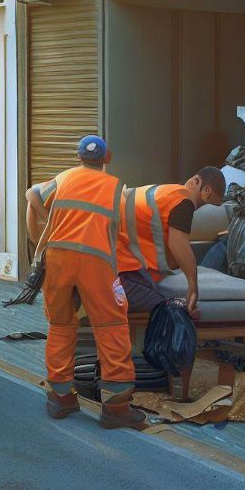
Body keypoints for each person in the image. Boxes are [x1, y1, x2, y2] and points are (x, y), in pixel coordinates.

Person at [29, 135, 146, 430]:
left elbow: (31, 196)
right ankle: (116, 408)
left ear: (79, 157)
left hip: (58, 259)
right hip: (96, 262)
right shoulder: (117, 187)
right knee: (111, 326)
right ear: (106, 158)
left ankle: (60, 398)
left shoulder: (62, 178)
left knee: (60, 324)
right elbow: (128, 231)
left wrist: (42, 232)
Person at [116, 167, 226, 318]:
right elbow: (178, 243)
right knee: (169, 313)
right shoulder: (184, 201)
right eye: (206, 203)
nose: (201, 208)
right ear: (204, 188)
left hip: (116, 264)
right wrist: (193, 288)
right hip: (121, 273)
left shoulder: (165, 193)